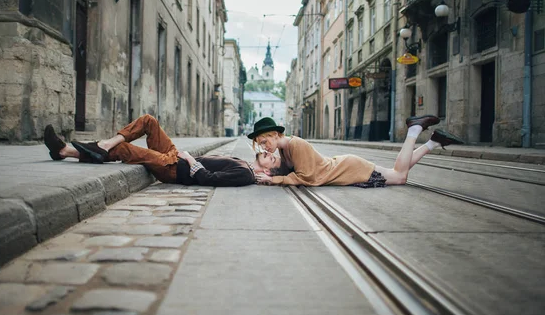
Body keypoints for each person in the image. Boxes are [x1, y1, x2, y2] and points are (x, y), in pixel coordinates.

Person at [44, 114, 270, 187]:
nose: (269, 153)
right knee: (148, 120)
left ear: (267, 173)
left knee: (125, 149)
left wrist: (191, 160)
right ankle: (104, 146)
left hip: (173, 169)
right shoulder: (245, 164)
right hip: (174, 157)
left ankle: (65, 151)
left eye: (273, 160)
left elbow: (208, 178)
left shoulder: (245, 175)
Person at [250, 116, 464, 187]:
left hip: (349, 169)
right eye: (261, 144)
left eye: (265, 140)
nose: (264, 146)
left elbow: (309, 178)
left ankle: (415, 130)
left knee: (399, 177)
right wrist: (268, 171)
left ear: (276, 134)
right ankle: (433, 142)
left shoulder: (296, 145)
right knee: (398, 173)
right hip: (347, 167)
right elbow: (291, 171)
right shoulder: (286, 150)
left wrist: (278, 181)